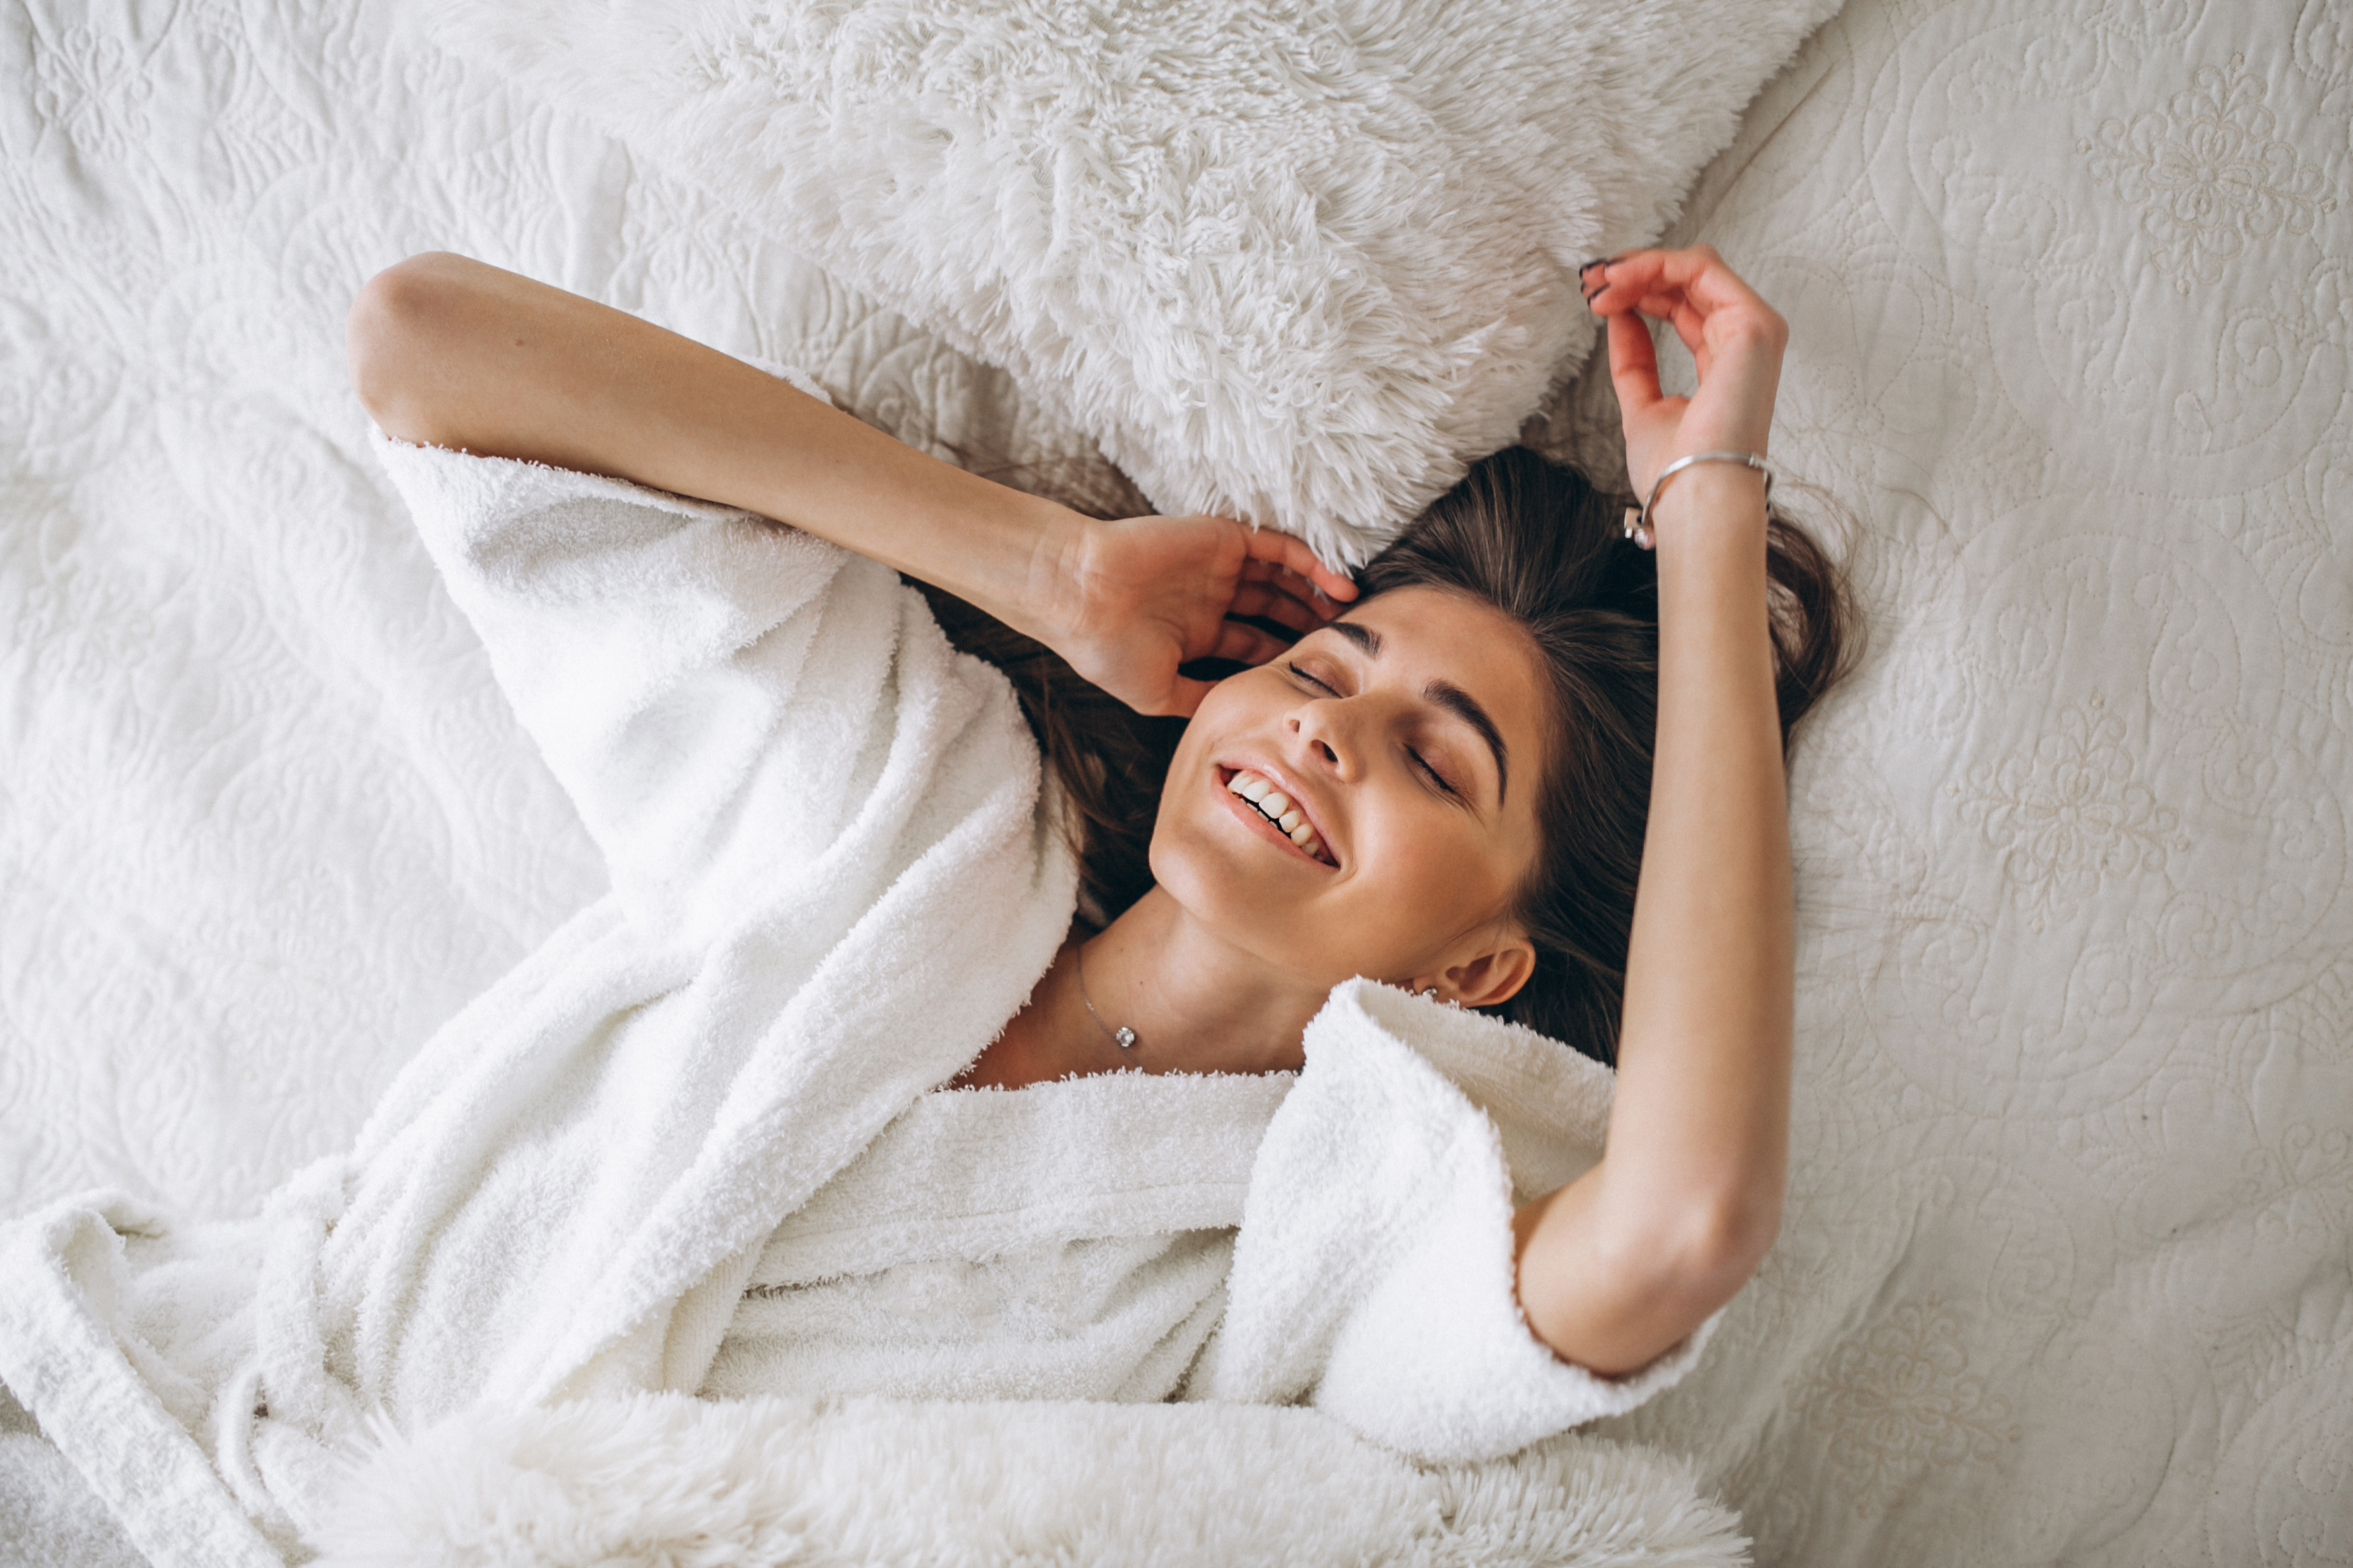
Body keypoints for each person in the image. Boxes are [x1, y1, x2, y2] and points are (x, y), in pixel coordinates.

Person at [0, 245, 1847, 1560]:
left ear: (1478, 958)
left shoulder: (1325, 1232)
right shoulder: (903, 805)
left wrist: (1704, 516)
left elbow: (1684, 1217)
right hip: (146, 1441)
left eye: (1438, 763)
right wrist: (1041, 567)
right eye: (1324, 667)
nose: (1327, 735)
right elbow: (428, 344)